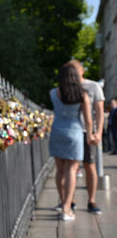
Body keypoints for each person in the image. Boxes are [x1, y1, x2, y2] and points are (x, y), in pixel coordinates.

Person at [49, 63, 94, 221]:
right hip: (74, 132)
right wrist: (89, 136)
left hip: (57, 132)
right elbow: (88, 120)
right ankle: (67, 208)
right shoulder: (83, 95)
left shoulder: (53, 93)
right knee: (71, 171)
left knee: (59, 171)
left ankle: (62, 202)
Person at [69, 59, 104, 214]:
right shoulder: (68, 87)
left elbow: (100, 111)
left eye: (75, 71)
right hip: (73, 130)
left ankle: (91, 200)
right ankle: (70, 200)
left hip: (87, 131)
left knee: (89, 165)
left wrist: (99, 132)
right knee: (71, 167)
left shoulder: (93, 86)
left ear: (82, 71)